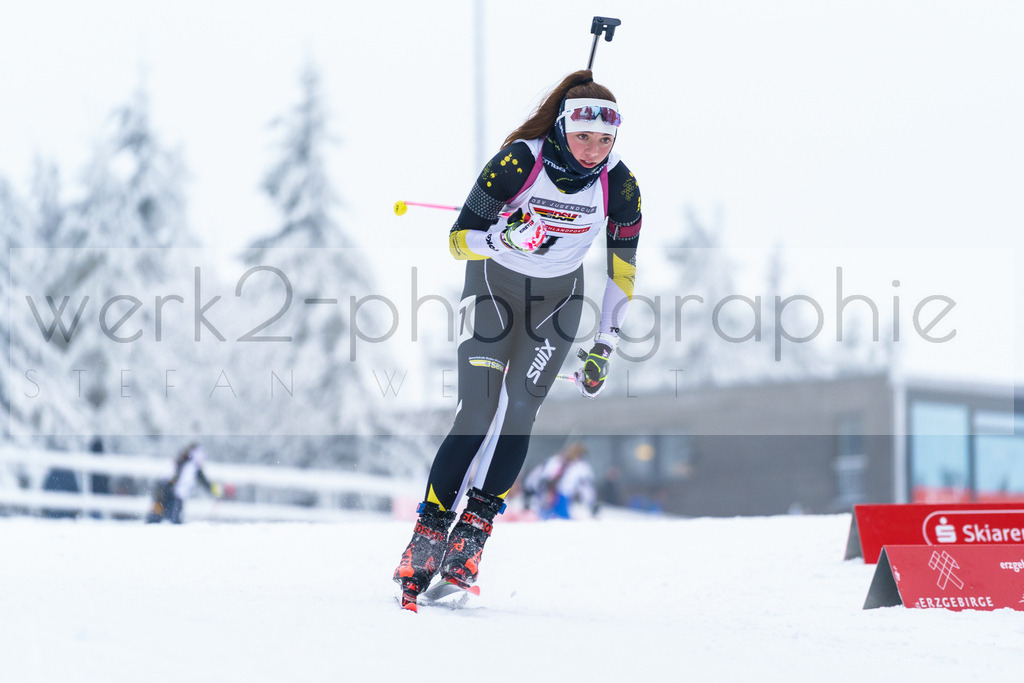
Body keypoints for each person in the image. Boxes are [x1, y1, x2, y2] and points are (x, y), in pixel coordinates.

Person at [393, 68, 643, 610]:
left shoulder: (619, 185)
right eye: (583, 137)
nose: (593, 150)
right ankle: (428, 535)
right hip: (492, 288)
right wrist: (501, 235)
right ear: (561, 127)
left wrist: (605, 344)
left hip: (557, 304)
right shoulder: (519, 161)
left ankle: (470, 539)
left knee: (521, 414)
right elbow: (459, 241)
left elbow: (622, 272)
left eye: (605, 140)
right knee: (478, 414)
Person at [146, 443, 221, 524]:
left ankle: (149, 526)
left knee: (161, 516)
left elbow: (203, 482)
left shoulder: (182, 462)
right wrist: (215, 491)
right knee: (172, 519)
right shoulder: (191, 466)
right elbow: (201, 483)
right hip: (170, 493)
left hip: (164, 491)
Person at [522, 442, 598, 520]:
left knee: (548, 521)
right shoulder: (578, 466)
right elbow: (586, 488)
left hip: (551, 496)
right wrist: (592, 504)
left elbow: (534, 476)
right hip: (554, 496)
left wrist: (528, 492)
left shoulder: (556, 460)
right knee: (557, 522)